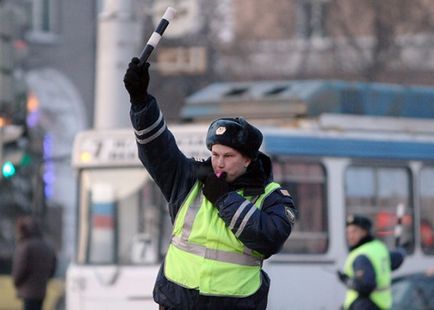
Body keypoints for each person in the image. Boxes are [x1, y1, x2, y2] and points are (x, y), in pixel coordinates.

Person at [123, 57, 297, 310]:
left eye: (228, 157)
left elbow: (268, 239)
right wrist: (140, 101)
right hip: (178, 301)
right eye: (215, 155)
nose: (219, 163)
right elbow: (156, 149)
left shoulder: (273, 197)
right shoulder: (190, 178)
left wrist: (224, 198)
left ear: (248, 159)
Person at [337, 214, 405, 310]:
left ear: (364, 232)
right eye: (348, 232)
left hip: (365, 305)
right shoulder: (379, 247)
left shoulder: (361, 255)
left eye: (354, 231)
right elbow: (395, 261)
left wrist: (346, 280)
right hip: (381, 304)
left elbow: (366, 286)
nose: (350, 236)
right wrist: (401, 251)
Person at [12, 216, 57, 310]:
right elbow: (53, 267)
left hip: (28, 291)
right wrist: (45, 279)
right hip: (41, 290)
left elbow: (21, 267)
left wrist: (16, 281)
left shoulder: (26, 246)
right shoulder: (47, 246)